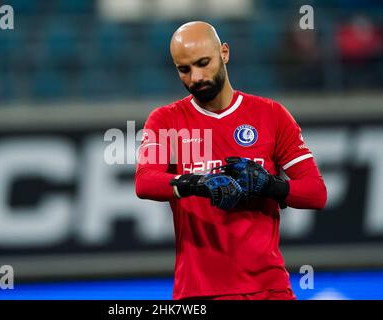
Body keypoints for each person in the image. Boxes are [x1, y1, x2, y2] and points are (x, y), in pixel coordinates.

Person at [135, 21, 327, 300]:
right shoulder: (165, 120)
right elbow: (145, 182)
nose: (196, 77)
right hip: (199, 292)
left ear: (224, 53)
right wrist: (200, 183)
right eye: (184, 69)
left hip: (269, 289)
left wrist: (270, 186)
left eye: (203, 63)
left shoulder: (271, 115)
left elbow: (316, 193)